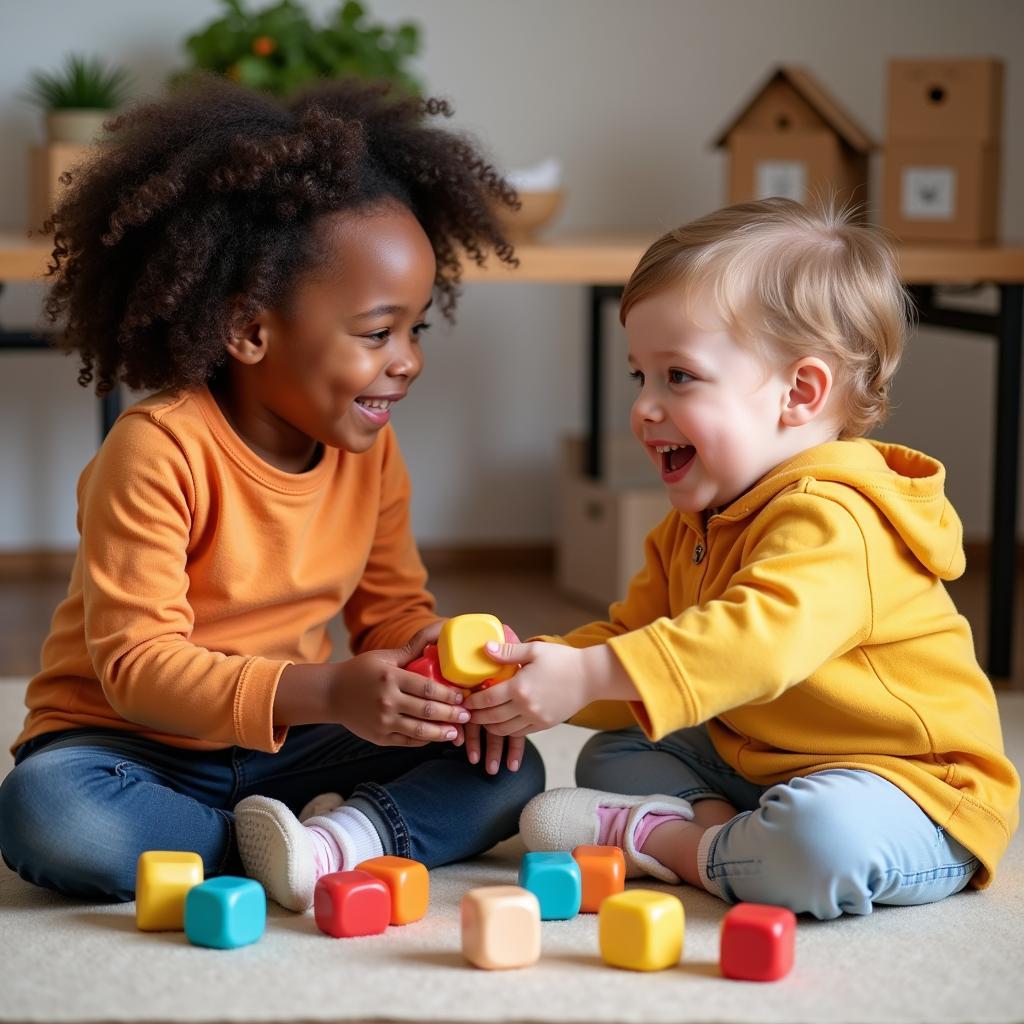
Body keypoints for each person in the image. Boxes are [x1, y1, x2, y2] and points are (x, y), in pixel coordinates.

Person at [0, 77, 545, 912]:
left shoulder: (369, 448)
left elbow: (391, 615)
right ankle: (279, 842)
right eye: (376, 333)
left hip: (295, 743)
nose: (408, 360)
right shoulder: (155, 449)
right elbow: (137, 670)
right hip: (132, 746)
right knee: (48, 814)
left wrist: (446, 670)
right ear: (250, 329)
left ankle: (327, 841)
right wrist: (328, 692)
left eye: (416, 329)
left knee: (506, 766)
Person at [464, 197, 1020, 920]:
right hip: (757, 758)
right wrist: (539, 670)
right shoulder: (694, 522)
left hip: (911, 790)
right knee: (618, 747)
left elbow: (753, 644)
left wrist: (590, 674)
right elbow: (637, 646)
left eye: (679, 377)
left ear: (800, 392)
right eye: (640, 377)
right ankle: (722, 835)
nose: (644, 407)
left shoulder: (837, 518)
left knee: (819, 842)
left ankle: (672, 842)